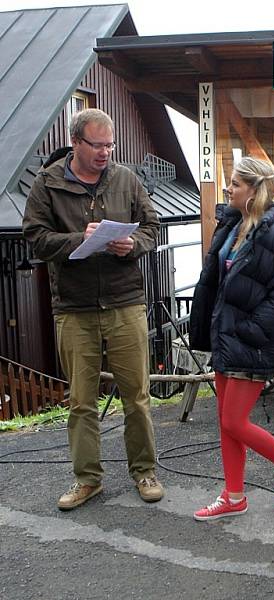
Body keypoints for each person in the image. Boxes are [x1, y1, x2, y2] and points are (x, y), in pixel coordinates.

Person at [22, 108, 164, 510]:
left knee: (136, 396)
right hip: (75, 306)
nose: (105, 152)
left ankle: (145, 471)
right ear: (76, 142)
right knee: (81, 400)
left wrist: (131, 245)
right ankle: (87, 480)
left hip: (124, 301)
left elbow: (152, 227)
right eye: (98, 145)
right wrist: (75, 241)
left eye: (110, 144)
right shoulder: (47, 184)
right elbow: (34, 237)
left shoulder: (126, 180)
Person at [189, 157, 274, 521]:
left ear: (254, 190)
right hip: (226, 336)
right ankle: (234, 496)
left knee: (234, 422)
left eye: (236, 184)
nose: (229, 189)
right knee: (226, 422)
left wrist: (252, 330)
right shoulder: (232, 226)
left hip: (250, 341)